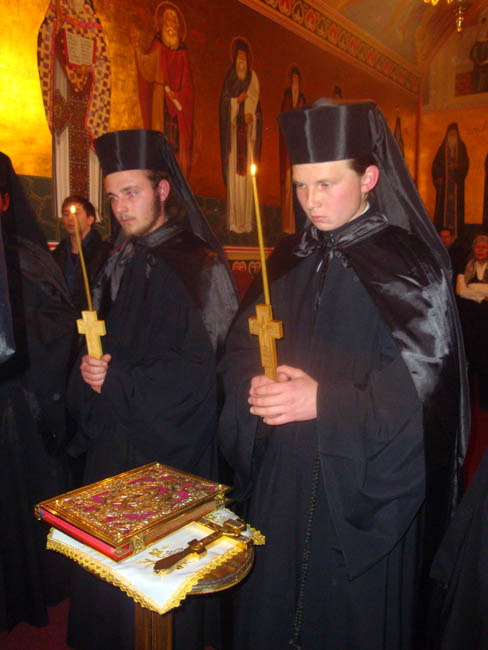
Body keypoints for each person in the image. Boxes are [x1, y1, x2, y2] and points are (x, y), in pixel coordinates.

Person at [218, 100, 469, 650]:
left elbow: (424, 395)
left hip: (361, 487)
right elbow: (238, 348)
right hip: (284, 477)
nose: (310, 201)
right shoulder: (288, 256)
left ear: (369, 178)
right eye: (300, 186)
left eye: (326, 184)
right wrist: (252, 385)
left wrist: (325, 402)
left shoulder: (410, 267)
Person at [66, 129, 238, 650]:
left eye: (132, 193)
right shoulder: (117, 257)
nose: (120, 207)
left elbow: (205, 375)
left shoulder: (200, 265)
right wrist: (89, 370)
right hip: (114, 439)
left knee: (157, 589)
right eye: (113, 196)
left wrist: (118, 381)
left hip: (169, 450)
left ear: (162, 190)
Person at [0, 152, 77, 631]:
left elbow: (59, 326)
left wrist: (18, 342)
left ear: (5, 200)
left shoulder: (26, 258)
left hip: (19, 410)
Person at [37, 0, 111, 219]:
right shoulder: (57, 13)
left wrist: (91, 69)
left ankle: (91, 212)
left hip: (88, 101)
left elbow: (104, 61)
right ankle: (64, 210)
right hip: (64, 96)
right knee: (65, 147)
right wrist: (57, 30)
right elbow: (45, 45)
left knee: (89, 160)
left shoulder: (91, 20)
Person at [135, 3, 194, 178]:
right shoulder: (157, 44)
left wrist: (179, 96)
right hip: (160, 102)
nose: (171, 24)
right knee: (159, 145)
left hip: (176, 108)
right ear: (161, 23)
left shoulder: (182, 52)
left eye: (174, 21)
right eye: (168, 20)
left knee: (175, 149)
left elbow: (188, 86)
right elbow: (147, 68)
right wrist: (138, 51)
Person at [219, 37, 262, 233]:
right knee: (235, 181)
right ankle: (234, 222)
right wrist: (236, 101)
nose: (242, 60)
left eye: (244, 57)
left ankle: (246, 223)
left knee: (246, 182)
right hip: (234, 139)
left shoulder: (253, 81)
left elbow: (258, 112)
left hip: (248, 140)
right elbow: (223, 104)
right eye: (239, 56)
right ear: (235, 58)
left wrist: (253, 119)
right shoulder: (230, 77)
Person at [52, 195, 111, 313]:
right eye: (66, 214)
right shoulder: (57, 254)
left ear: (90, 219)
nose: (70, 218)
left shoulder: (105, 253)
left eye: (76, 213)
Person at [456, 233, 488, 409]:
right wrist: (481, 295)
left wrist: (473, 289)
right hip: (470, 319)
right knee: (470, 357)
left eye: (484, 247)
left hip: (486, 319)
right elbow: (461, 291)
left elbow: (469, 290)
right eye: (477, 247)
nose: (480, 250)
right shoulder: (466, 266)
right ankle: (468, 399)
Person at [279, 65, 306, 234]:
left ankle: (298, 225)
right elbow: (284, 117)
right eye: (293, 79)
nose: (295, 82)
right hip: (288, 148)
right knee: (289, 184)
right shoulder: (288, 96)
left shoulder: (302, 98)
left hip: (298, 150)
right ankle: (288, 225)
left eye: (298, 79)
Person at [432, 123, 469, 240]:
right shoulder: (442, 148)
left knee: (457, 212)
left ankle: (457, 237)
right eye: (450, 133)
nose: (452, 136)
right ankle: (441, 237)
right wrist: (438, 177)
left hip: (457, 186)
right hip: (445, 188)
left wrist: (458, 166)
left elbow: (465, 164)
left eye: (454, 134)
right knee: (442, 211)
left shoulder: (461, 147)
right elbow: (436, 164)